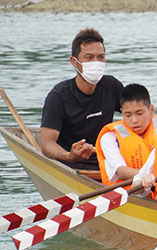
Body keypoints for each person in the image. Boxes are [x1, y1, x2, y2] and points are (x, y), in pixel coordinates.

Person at [40, 28, 123, 170]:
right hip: (71, 165)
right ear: (74, 61)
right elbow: (46, 143)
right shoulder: (58, 96)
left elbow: (135, 113)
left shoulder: (111, 86)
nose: (96, 63)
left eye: (101, 57)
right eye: (89, 57)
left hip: (107, 161)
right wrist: (68, 155)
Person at [95, 83, 157, 185]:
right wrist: (147, 176)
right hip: (129, 193)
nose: (134, 120)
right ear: (122, 112)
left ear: (151, 110)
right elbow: (121, 172)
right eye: (128, 115)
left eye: (139, 113)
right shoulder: (110, 138)